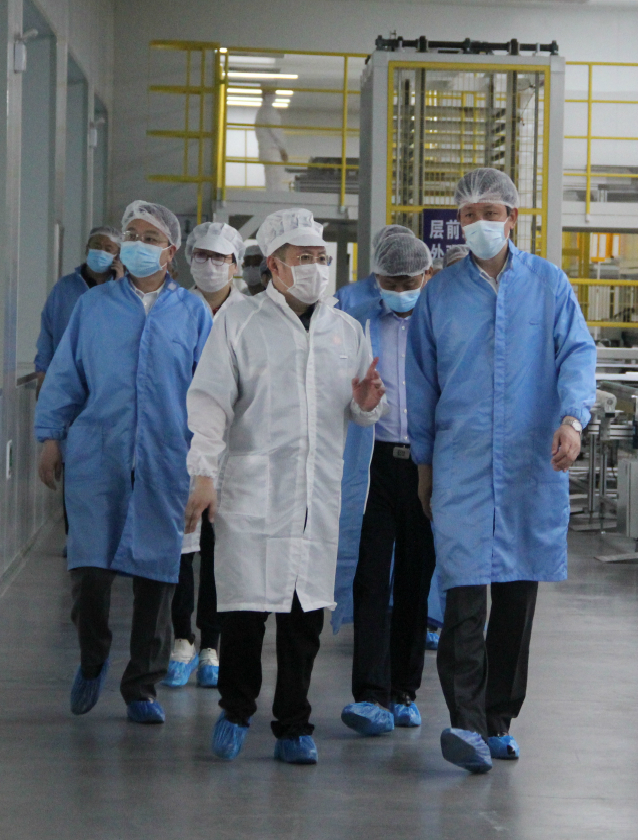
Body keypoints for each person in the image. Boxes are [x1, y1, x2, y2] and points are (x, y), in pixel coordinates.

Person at [405, 168, 596, 773]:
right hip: (460, 465)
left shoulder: (549, 284)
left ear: (512, 218)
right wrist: (424, 465)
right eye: (468, 215)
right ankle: (466, 725)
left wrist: (572, 419)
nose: (479, 224)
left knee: (516, 598)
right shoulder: (439, 295)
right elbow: (421, 384)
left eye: (490, 213)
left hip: (528, 466)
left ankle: (499, 720)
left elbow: (577, 353)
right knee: (463, 597)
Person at [184, 207, 386, 765]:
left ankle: (294, 725)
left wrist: (367, 405)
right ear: (273, 265)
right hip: (252, 495)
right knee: (244, 614)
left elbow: (360, 409)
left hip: (314, 498)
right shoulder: (240, 322)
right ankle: (236, 710)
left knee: (304, 620)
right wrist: (204, 473)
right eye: (304, 258)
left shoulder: (346, 331)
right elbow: (210, 403)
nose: (316, 267)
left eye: (321, 257)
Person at [35, 201, 212, 725]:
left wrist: (207, 464)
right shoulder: (93, 307)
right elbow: (66, 374)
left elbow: (210, 393)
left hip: (166, 457)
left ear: (170, 251)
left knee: (158, 576)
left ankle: (141, 686)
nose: (137, 244)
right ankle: (93, 659)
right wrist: (50, 437)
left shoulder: (193, 313)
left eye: (149, 237)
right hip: (98, 452)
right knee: (90, 570)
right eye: (131, 234)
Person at [333, 233, 435, 737]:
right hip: (372, 463)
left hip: (424, 465)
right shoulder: (355, 316)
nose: (399, 291)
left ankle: (404, 691)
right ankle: (371, 694)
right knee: (370, 576)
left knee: (415, 577)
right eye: (390, 283)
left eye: (408, 282)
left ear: (427, 276)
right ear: (376, 279)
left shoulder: (439, 321)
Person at [163, 221, 247, 690]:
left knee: (219, 548)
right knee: (182, 545)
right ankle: (182, 637)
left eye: (221, 258)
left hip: (233, 450)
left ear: (236, 265)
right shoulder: (174, 309)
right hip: (180, 444)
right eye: (203, 256)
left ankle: (212, 641)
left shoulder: (250, 315)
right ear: (188, 258)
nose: (212, 265)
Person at [34, 226, 123, 398]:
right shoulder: (65, 288)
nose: (101, 252)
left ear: (117, 256)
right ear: (87, 249)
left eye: (108, 248)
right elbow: (47, 332)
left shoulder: (125, 291)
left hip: (109, 383)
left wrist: (119, 287)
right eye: (96, 246)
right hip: (66, 380)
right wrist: (42, 374)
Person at [335, 224, 415, 313]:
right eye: (389, 252)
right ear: (378, 255)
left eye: (403, 253)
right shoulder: (346, 298)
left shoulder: (422, 298)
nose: (397, 259)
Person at [255, 89, 289, 192]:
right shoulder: (270, 112)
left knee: (270, 179)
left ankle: (271, 196)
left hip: (265, 150)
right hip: (272, 151)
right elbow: (276, 132)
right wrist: (283, 149)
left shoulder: (260, 112)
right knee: (276, 180)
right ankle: (275, 199)